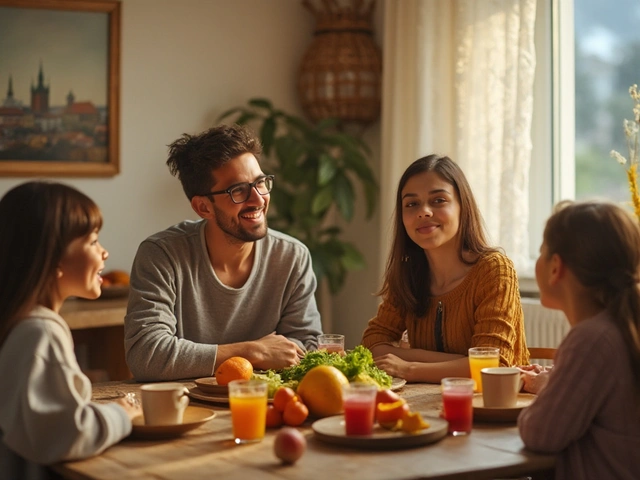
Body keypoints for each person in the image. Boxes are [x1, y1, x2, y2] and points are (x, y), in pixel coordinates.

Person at [124, 124, 323, 381]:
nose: (259, 199)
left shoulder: (292, 257)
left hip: (264, 405)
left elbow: (307, 348)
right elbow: (146, 354)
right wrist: (251, 351)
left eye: (260, 182)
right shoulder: (162, 255)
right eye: (238, 190)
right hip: (184, 408)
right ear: (203, 207)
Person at [0, 182, 141, 477]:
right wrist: (122, 414)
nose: (104, 253)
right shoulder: (39, 332)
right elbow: (63, 435)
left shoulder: (21, 323)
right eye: (92, 241)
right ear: (53, 257)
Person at [361, 155, 529, 383]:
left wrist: (409, 367)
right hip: (426, 404)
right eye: (411, 204)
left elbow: (493, 365)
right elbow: (372, 344)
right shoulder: (409, 273)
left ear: (463, 206)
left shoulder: (494, 270)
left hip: (494, 409)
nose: (424, 212)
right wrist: (459, 361)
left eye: (438, 200)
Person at [518, 200, 640, 479]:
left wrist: (549, 390)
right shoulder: (621, 328)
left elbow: (539, 433)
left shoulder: (591, 340)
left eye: (541, 252)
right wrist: (553, 382)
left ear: (555, 267)